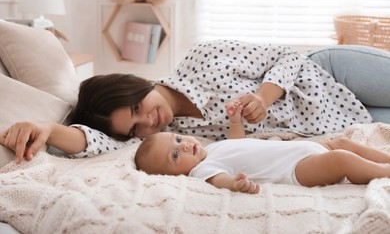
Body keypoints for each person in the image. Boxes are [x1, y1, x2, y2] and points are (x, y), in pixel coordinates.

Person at [0, 40, 374, 163]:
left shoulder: (204, 57)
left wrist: (264, 95)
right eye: (134, 128)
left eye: (136, 109)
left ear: (137, 84)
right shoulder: (169, 137)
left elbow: (291, 58)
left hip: (331, 78)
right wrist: (48, 128)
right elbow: (93, 142)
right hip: (354, 124)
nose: (147, 124)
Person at [134, 101, 390, 194]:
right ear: (175, 174)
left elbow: (238, 143)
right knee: (341, 158)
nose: (186, 145)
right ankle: (382, 171)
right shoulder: (202, 170)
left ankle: (385, 158)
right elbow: (220, 180)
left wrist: (236, 121)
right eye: (175, 155)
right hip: (296, 169)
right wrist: (235, 184)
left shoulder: (213, 150)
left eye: (178, 139)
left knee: (341, 142)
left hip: (301, 150)